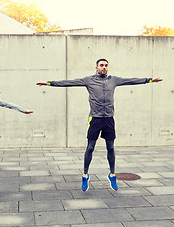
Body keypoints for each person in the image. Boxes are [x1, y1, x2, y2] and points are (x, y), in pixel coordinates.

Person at [37, 58, 162, 192]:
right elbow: (69, 83)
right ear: (96, 68)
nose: (104, 67)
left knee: (111, 148)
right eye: (101, 65)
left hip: (109, 119)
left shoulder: (114, 80)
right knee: (90, 147)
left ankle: (112, 175)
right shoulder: (89, 80)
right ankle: (85, 176)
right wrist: (49, 83)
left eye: (106, 65)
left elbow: (131, 80)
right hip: (95, 119)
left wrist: (149, 80)